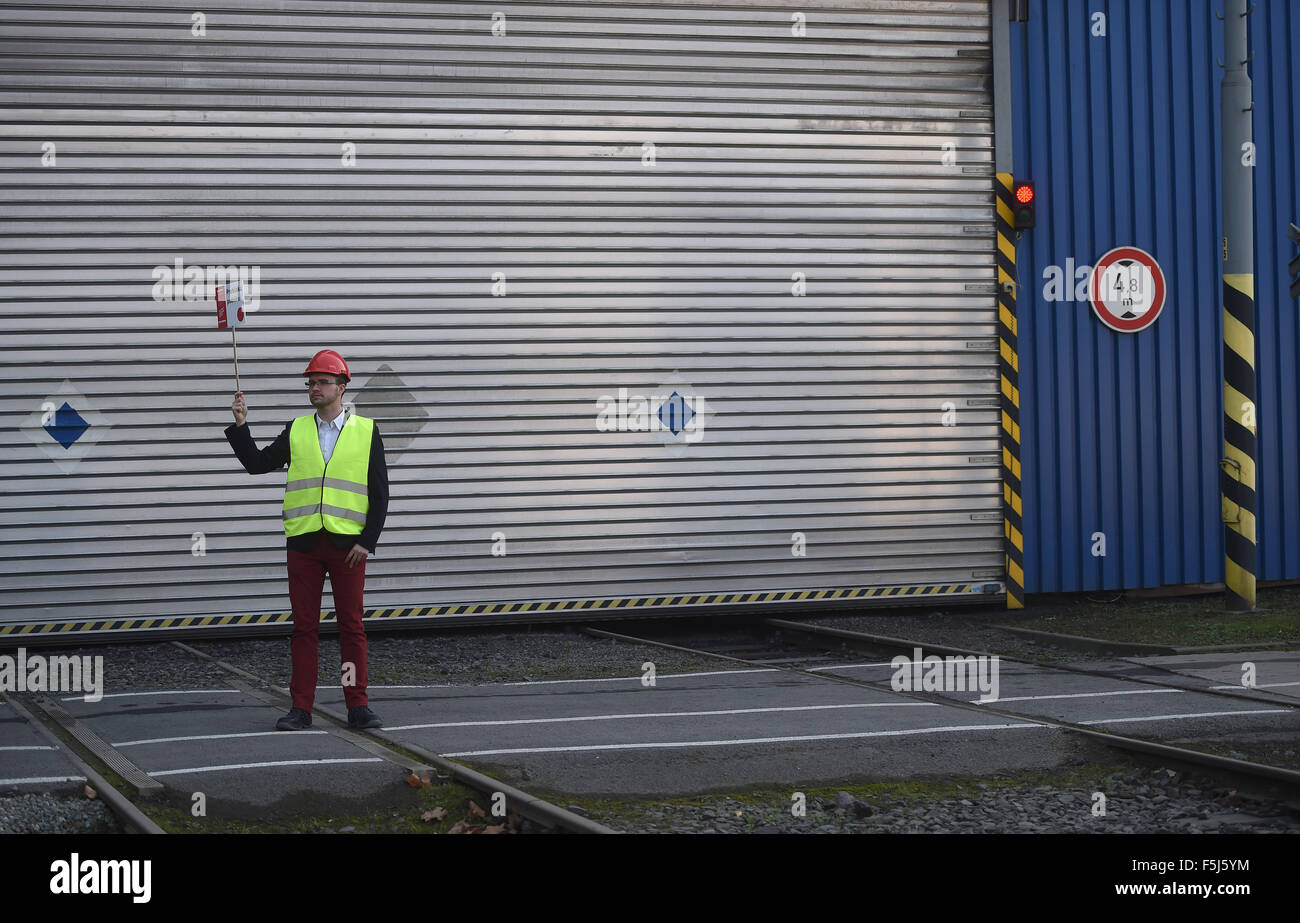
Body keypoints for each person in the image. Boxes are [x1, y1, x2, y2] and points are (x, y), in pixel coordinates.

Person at [225, 349, 389, 731]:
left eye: (322, 382)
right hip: (304, 544)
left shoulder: (366, 431)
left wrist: (368, 540)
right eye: (310, 383)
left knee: (352, 627)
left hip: (349, 547)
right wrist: (240, 427)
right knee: (304, 628)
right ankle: (301, 707)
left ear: (342, 387)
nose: (314, 388)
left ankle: (357, 705)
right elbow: (257, 464)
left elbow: (380, 492)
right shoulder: (297, 429)